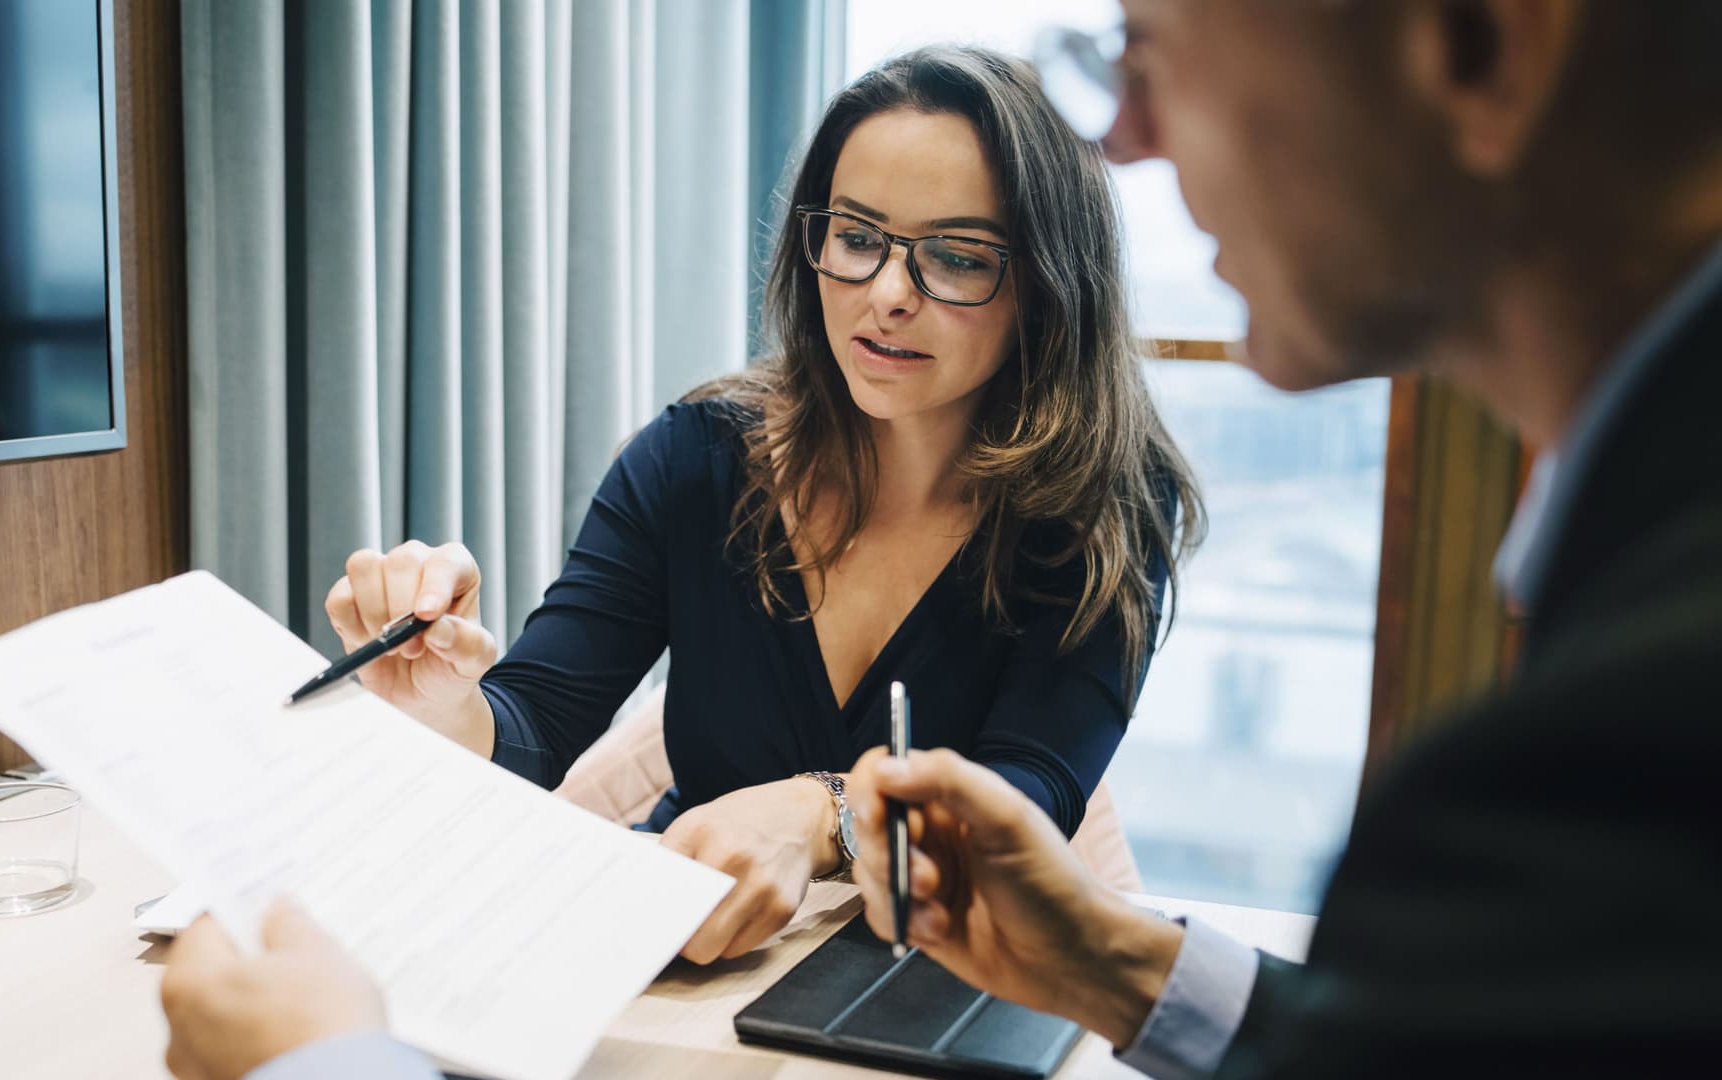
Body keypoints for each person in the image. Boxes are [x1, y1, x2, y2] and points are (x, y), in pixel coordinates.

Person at [157, 42, 1201, 1080]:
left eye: (958, 256)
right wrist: (449, 707)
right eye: (856, 236)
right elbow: (535, 725)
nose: (887, 292)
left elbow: (1031, 792)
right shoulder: (696, 461)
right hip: (689, 987)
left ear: (1047, 286)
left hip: (923, 1011)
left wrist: (820, 812)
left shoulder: (1103, 509)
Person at [841, 1, 1722, 1078]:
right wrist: (1107, 961)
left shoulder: (1619, 756)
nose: (1125, 136)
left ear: (1484, 48)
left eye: (1153, 55)